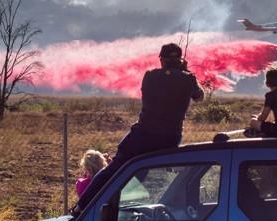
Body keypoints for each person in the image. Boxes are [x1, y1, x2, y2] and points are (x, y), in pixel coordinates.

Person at [73, 43, 204, 215]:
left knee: (113, 169)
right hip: (170, 140)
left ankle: (82, 207)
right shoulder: (188, 78)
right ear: (179, 60)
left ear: (161, 60)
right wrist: (185, 73)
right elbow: (200, 97)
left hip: (143, 136)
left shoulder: (149, 76)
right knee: (139, 176)